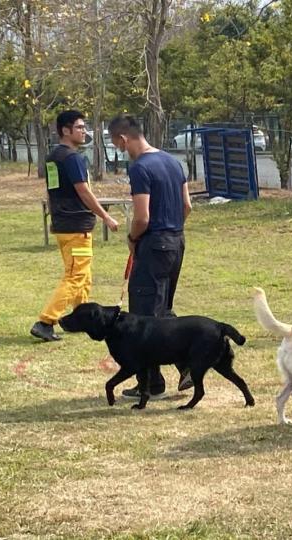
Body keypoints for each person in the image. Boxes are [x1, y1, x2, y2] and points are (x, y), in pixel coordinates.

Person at [107, 115, 193, 398]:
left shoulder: (140, 168)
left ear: (123, 138)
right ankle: (187, 364)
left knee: (144, 318)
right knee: (162, 309)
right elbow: (187, 206)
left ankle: (152, 383)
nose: (120, 150)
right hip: (176, 242)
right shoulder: (172, 161)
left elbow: (141, 217)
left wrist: (133, 239)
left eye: (117, 144)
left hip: (154, 245)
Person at [31, 110, 118, 342]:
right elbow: (83, 191)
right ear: (65, 130)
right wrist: (105, 217)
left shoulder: (53, 157)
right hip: (76, 226)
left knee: (83, 274)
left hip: (64, 224)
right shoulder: (71, 158)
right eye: (79, 127)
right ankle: (45, 321)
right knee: (75, 276)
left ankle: (83, 317)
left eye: (84, 127)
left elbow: (54, 190)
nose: (84, 131)